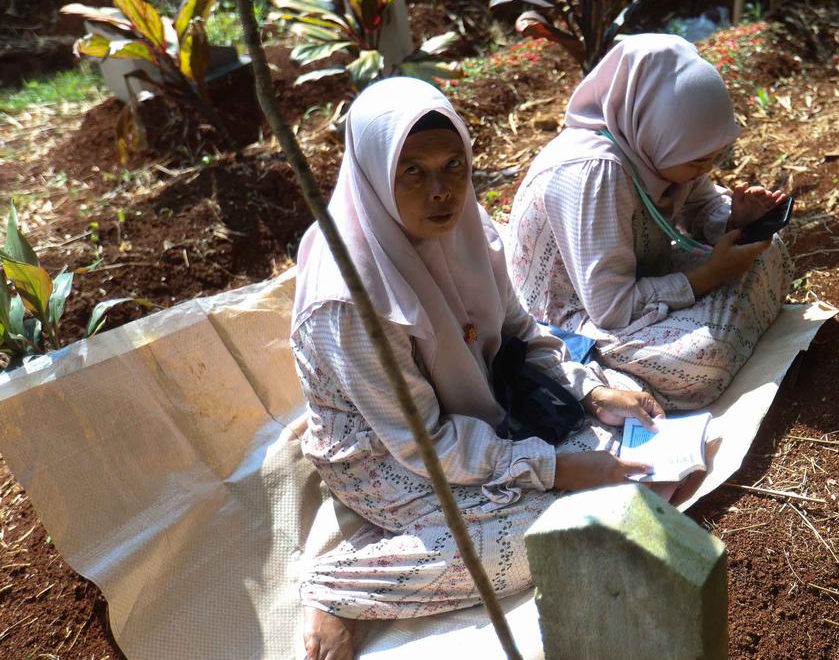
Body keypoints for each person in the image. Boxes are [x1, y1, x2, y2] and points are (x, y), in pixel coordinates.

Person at [291, 77, 665, 660]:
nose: (441, 192)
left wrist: (590, 392)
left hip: (476, 405)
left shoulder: (467, 225)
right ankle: (337, 588)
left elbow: (520, 331)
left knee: (616, 424)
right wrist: (554, 469)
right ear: (372, 176)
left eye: (453, 165)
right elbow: (423, 445)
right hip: (384, 452)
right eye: (412, 172)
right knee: (547, 529)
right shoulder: (351, 301)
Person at [506, 33, 792, 411]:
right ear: (652, 130)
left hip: (642, 275)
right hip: (576, 315)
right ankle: (600, 379)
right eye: (696, 161)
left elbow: (700, 204)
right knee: (704, 357)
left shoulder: (653, 146)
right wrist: (711, 275)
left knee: (769, 253)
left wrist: (736, 220)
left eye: (714, 156)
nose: (704, 170)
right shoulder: (595, 175)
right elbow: (611, 309)